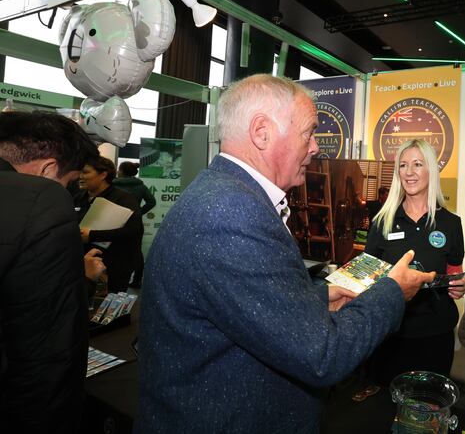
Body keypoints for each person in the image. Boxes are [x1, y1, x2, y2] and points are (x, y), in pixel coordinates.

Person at [135, 74, 434, 433]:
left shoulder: (222, 195)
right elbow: (323, 355)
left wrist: (317, 297)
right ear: (262, 132)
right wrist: (392, 291)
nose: (316, 147)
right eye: (309, 133)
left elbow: (243, 305)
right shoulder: (233, 212)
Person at [0, 111, 98, 434]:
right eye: (68, 183)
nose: (67, 192)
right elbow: (49, 350)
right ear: (47, 169)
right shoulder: (41, 199)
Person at [364, 139, 465, 386]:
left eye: (418, 164)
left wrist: (459, 286)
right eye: (403, 165)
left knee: (430, 403)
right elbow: (367, 278)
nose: (409, 172)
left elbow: (455, 273)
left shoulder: (450, 223)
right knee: (388, 401)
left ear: (431, 170)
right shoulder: (383, 222)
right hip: (391, 333)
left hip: (436, 334)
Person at [73, 156, 143, 293]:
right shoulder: (77, 198)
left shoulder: (124, 199)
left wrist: (92, 235)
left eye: (85, 172)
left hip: (115, 266)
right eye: (80, 172)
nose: (80, 176)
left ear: (103, 175)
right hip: (82, 264)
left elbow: (133, 230)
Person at [113, 161, 155, 288]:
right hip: (135, 223)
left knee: (114, 250)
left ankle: (113, 279)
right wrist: (138, 213)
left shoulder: (113, 185)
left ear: (121, 171)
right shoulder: (140, 186)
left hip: (114, 222)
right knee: (136, 251)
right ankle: (137, 280)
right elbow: (151, 202)